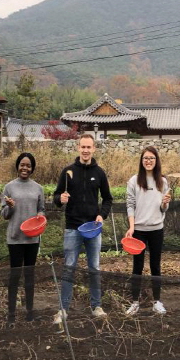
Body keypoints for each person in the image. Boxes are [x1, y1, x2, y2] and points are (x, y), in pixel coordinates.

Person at [52, 134, 113, 323]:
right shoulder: (68, 171)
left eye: (89, 147)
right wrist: (59, 200)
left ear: (94, 149)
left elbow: (108, 198)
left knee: (94, 268)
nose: (86, 150)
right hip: (73, 228)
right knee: (69, 268)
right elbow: (56, 196)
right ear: (78, 148)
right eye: (83, 147)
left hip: (93, 229)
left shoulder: (100, 173)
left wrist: (101, 215)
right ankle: (63, 309)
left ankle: (96, 306)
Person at [124, 146, 171, 316]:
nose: (148, 161)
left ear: (156, 161)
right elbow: (130, 205)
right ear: (141, 161)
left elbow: (163, 208)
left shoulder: (163, 182)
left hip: (156, 229)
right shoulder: (134, 181)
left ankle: (157, 301)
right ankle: (135, 302)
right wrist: (131, 227)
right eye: (146, 158)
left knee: (155, 266)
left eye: (152, 158)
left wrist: (165, 203)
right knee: (137, 267)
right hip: (139, 231)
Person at [1, 152, 45, 324]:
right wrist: (10, 207)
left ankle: (29, 311)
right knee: (14, 276)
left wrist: (41, 217)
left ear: (32, 168)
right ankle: (11, 314)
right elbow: (4, 214)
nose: (25, 168)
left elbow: (41, 209)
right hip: (15, 238)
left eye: (28, 165)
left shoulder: (38, 188)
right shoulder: (9, 187)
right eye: (22, 164)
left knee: (29, 275)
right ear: (17, 166)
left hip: (32, 239)